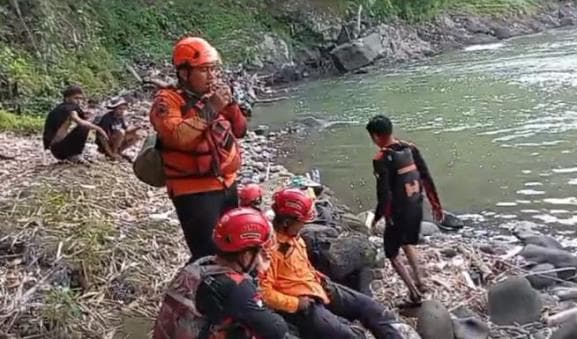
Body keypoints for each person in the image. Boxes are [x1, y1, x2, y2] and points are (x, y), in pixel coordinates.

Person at [149, 37, 247, 262]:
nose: (212, 76)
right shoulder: (167, 101)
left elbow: (240, 130)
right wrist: (212, 107)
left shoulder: (214, 97)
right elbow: (177, 136)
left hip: (227, 183)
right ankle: (197, 292)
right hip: (193, 190)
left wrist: (230, 106)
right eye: (204, 70)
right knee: (207, 254)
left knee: (235, 248)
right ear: (184, 73)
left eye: (213, 69)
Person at [259, 188, 404, 339]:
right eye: (301, 222)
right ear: (287, 222)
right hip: (303, 304)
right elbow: (264, 293)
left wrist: (321, 280)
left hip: (319, 287)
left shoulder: (295, 238)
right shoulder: (270, 251)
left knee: (372, 309)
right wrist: (296, 303)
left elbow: (304, 268)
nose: (303, 226)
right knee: (348, 336)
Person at [153, 208, 288, 339]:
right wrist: (261, 274)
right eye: (259, 252)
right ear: (247, 254)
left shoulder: (198, 265)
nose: (261, 257)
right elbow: (276, 329)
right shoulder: (234, 286)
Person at [366, 115, 444, 304]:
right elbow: (426, 177)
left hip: (398, 213)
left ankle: (415, 295)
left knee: (391, 253)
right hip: (416, 208)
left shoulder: (381, 158)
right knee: (406, 242)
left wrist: (377, 218)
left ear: (375, 136)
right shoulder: (411, 148)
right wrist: (436, 205)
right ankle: (421, 281)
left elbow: (384, 195)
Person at [43, 86, 108, 163]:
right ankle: (75, 155)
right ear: (67, 99)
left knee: (84, 127)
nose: (79, 101)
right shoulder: (69, 109)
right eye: (76, 98)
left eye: (80, 99)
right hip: (59, 149)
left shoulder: (60, 108)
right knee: (83, 127)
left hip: (56, 149)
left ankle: (73, 155)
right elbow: (80, 122)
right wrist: (99, 129)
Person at [95, 97, 142, 161]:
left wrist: (137, 127)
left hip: (116, 141)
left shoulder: (120, 117)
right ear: (114, 109)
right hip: (106, 142)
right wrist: (110, 153)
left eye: (123, 109)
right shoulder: (106, 117)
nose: (122, 111)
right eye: (120, 109)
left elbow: (126, 130)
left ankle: (118, 152)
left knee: (137, 136)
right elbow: (101, 136)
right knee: (121, 132)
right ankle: (113, 153)